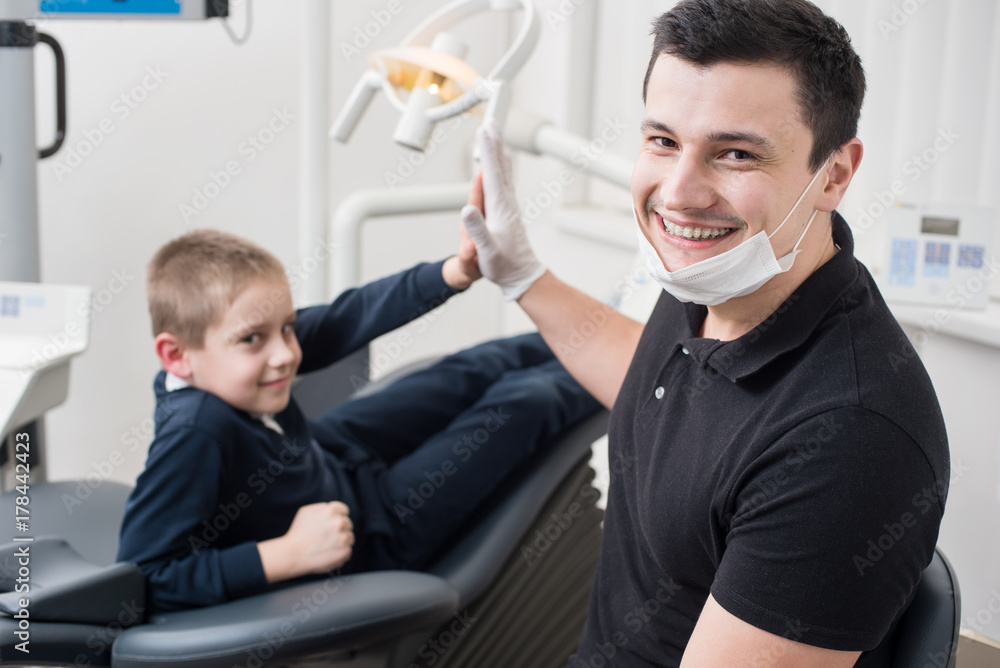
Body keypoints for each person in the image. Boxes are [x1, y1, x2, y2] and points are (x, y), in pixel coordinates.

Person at [461, 0, 949, 666]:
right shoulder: (715, 280)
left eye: (736, 153)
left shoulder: (851, 440)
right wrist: (523, 278)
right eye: (663, 141)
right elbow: (664, 387)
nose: (680, 194)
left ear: (833, 174)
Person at [116, 227, 600, 612]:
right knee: (526, 399)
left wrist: (452, 272)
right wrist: (285, 555)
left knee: (471, 368)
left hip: (330, 457)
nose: (286, 353)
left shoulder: (221, 364)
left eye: (286, 328)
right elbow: (146, 577)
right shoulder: (194, 434)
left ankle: (614, 332)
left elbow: (346, 317)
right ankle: (639, 368)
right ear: (176, 355)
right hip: (371, 529)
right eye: (254, 340)